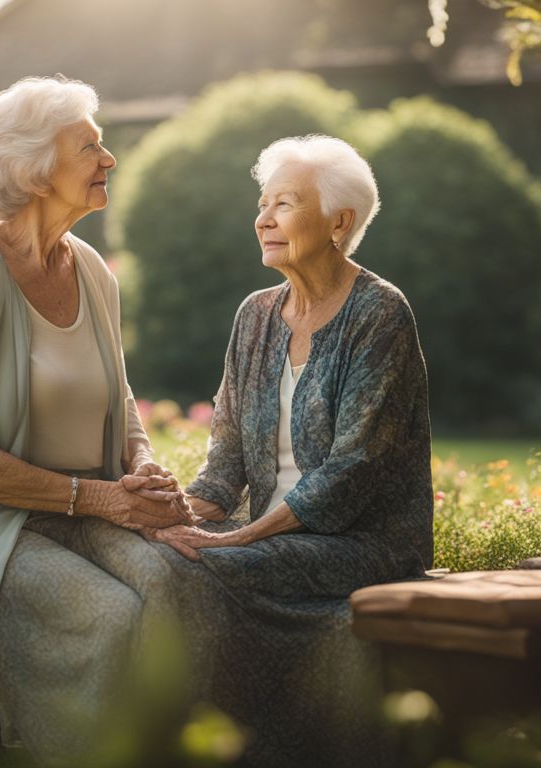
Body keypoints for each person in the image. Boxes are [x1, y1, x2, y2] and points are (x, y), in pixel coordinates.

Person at [0, 76, 189, 760]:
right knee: (109, 614)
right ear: (34, 167)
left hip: (93, 506)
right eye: (88, 145)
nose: (109, 159)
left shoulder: (93, 270)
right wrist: (98, 498)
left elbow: (118, 394)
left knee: (178, 581)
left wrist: (143, 468)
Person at [146, 134, 435, 766]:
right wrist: (175, 516)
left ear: (339, 222)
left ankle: (239, 749)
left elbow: (351, 473)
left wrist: (240, 540)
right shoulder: (254, 316)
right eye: (262, 202)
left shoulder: (380, 313)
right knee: (155, 556)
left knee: (201, 572)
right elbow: (223, 465)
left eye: (284, 203)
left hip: (365, 543)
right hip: (275, 536)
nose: (263, 218)